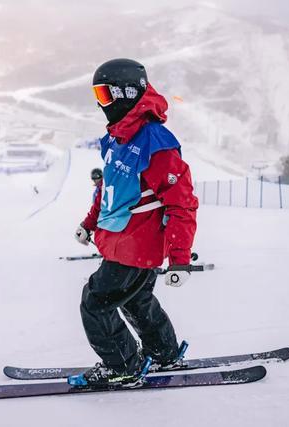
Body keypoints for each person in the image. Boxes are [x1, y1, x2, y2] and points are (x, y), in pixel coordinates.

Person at [73, 58, 198, 387]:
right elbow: (108, 189)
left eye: (104, 94)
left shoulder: (156, 143)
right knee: (137, 302)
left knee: (95, 302)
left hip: (135, 246)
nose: (101, 103)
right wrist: (89, 223)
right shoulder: (117, 138)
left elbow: (181, 203)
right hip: (119, 240)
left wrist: (180, 260)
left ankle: (123, 365)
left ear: (124, 93)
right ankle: (163, 353)